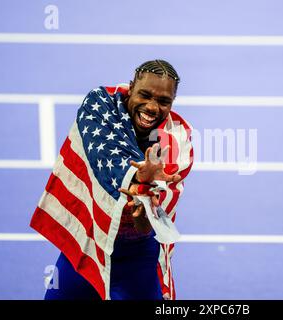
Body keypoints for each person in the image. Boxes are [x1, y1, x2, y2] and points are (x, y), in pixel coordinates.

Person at [34, 59, 193, 300]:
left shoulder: (176, 142)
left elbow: (149, 223)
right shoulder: (100, 106)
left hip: (138, 259)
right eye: (145, 95)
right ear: (130, 88)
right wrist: (139, 178)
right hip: (89, 243)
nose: (152, 107)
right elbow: (105, 157)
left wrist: (144, 212)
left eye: (163, 101)